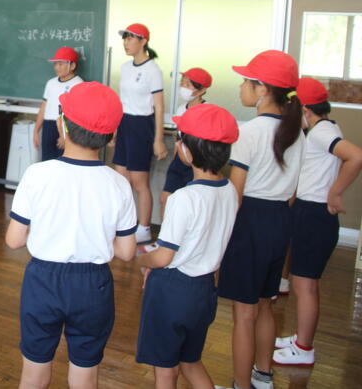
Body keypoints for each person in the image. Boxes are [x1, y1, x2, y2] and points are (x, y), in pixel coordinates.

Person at [6, 81, 137, 389]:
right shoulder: (119, 184)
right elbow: (127, 251)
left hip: (43, 281)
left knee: (34, 373)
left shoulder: (37, 174)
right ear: (111, 135)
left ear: (61, 124)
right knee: (85, 373)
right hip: (94, 285)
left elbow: (14, 240)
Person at [135, 103, 239, 389]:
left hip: (173, 291)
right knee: (191, 361)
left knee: (165, 370)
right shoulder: (230, 191)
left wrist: (141, 258)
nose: (177, 143)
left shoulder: (183, 198)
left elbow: (163, 257)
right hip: (204, 290)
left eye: (180, 138)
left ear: (189, 152)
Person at [217, 50, 304, 389]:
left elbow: (235, 195)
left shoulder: (250, 131)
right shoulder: (297, 132)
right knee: (265, 304)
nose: (241, 86)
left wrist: (220, 236)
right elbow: (292, 192)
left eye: (246, 81)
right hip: (281, 219)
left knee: (244, 313)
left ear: (263, 89)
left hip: (250, 221)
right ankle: (263, 377)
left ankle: (241, 384)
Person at [273, 77, 362, 367]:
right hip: (309, 212)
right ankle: (301, 338)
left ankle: (304, 348)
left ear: (305, 109)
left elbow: (356, 157)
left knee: (305, 286)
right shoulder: (324, 128)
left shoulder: (322, 132)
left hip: (314, 215)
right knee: (303, 283)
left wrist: (335, 192)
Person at [143, 67, 212, 254]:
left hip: (196, 165)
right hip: (178, 161)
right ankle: (163, 241)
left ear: (202, 90)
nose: (183, 87)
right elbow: (178, 137)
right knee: (166, 198)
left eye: (188, 84)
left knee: (190, 205)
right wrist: (175, 159)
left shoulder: (207, 111)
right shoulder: (182, 109)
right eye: (183, 83)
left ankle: (184, 245)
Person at [112, 23, 167, 244]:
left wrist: (158, 139)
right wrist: (115, 130)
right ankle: (123, 225)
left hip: (142, 125)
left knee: (139, 182)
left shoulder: (153, 70)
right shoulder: (125, 67)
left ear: (143, 41)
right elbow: (122, 101)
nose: (126, 43)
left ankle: (143, 228)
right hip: (124, 122)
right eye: (124, 39)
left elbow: (159, 107)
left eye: (130, 38)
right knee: (121, 179)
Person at [33, 47, 84, 161]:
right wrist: (36, 131)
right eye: (55, 64)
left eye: (61, 64)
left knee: (63, 163)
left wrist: (65, 134)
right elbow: (44, 107)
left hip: (65, 127)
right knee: (47, 161)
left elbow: (76, 113)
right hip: (48, 126)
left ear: (72, 66)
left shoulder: (78, 84)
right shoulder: (51, 83)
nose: (57, 67)